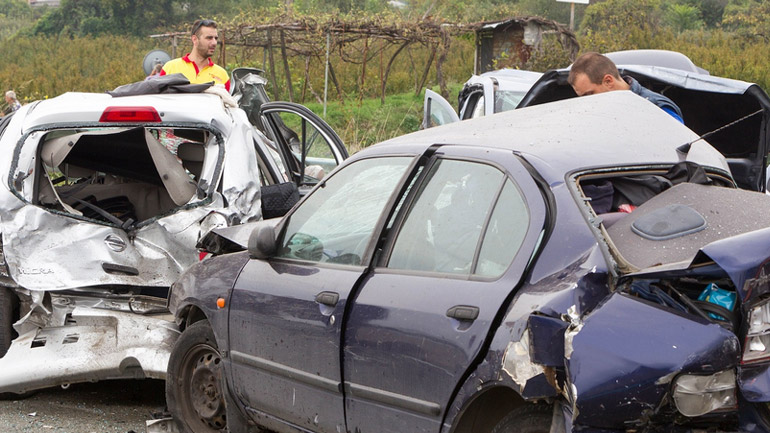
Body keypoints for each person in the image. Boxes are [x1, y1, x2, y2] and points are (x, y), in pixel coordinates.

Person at [568, 52, 683, 123]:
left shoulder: (658, 108)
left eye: (589, 94)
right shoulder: (597, 115)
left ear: (608, 81)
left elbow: (679, 148)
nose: (587, 102)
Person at [160, 19, 230, 91]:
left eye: (216, 38)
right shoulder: (170, 68)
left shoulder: (222, 75)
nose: (214, 43)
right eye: (209, 38)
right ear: (195, 39)